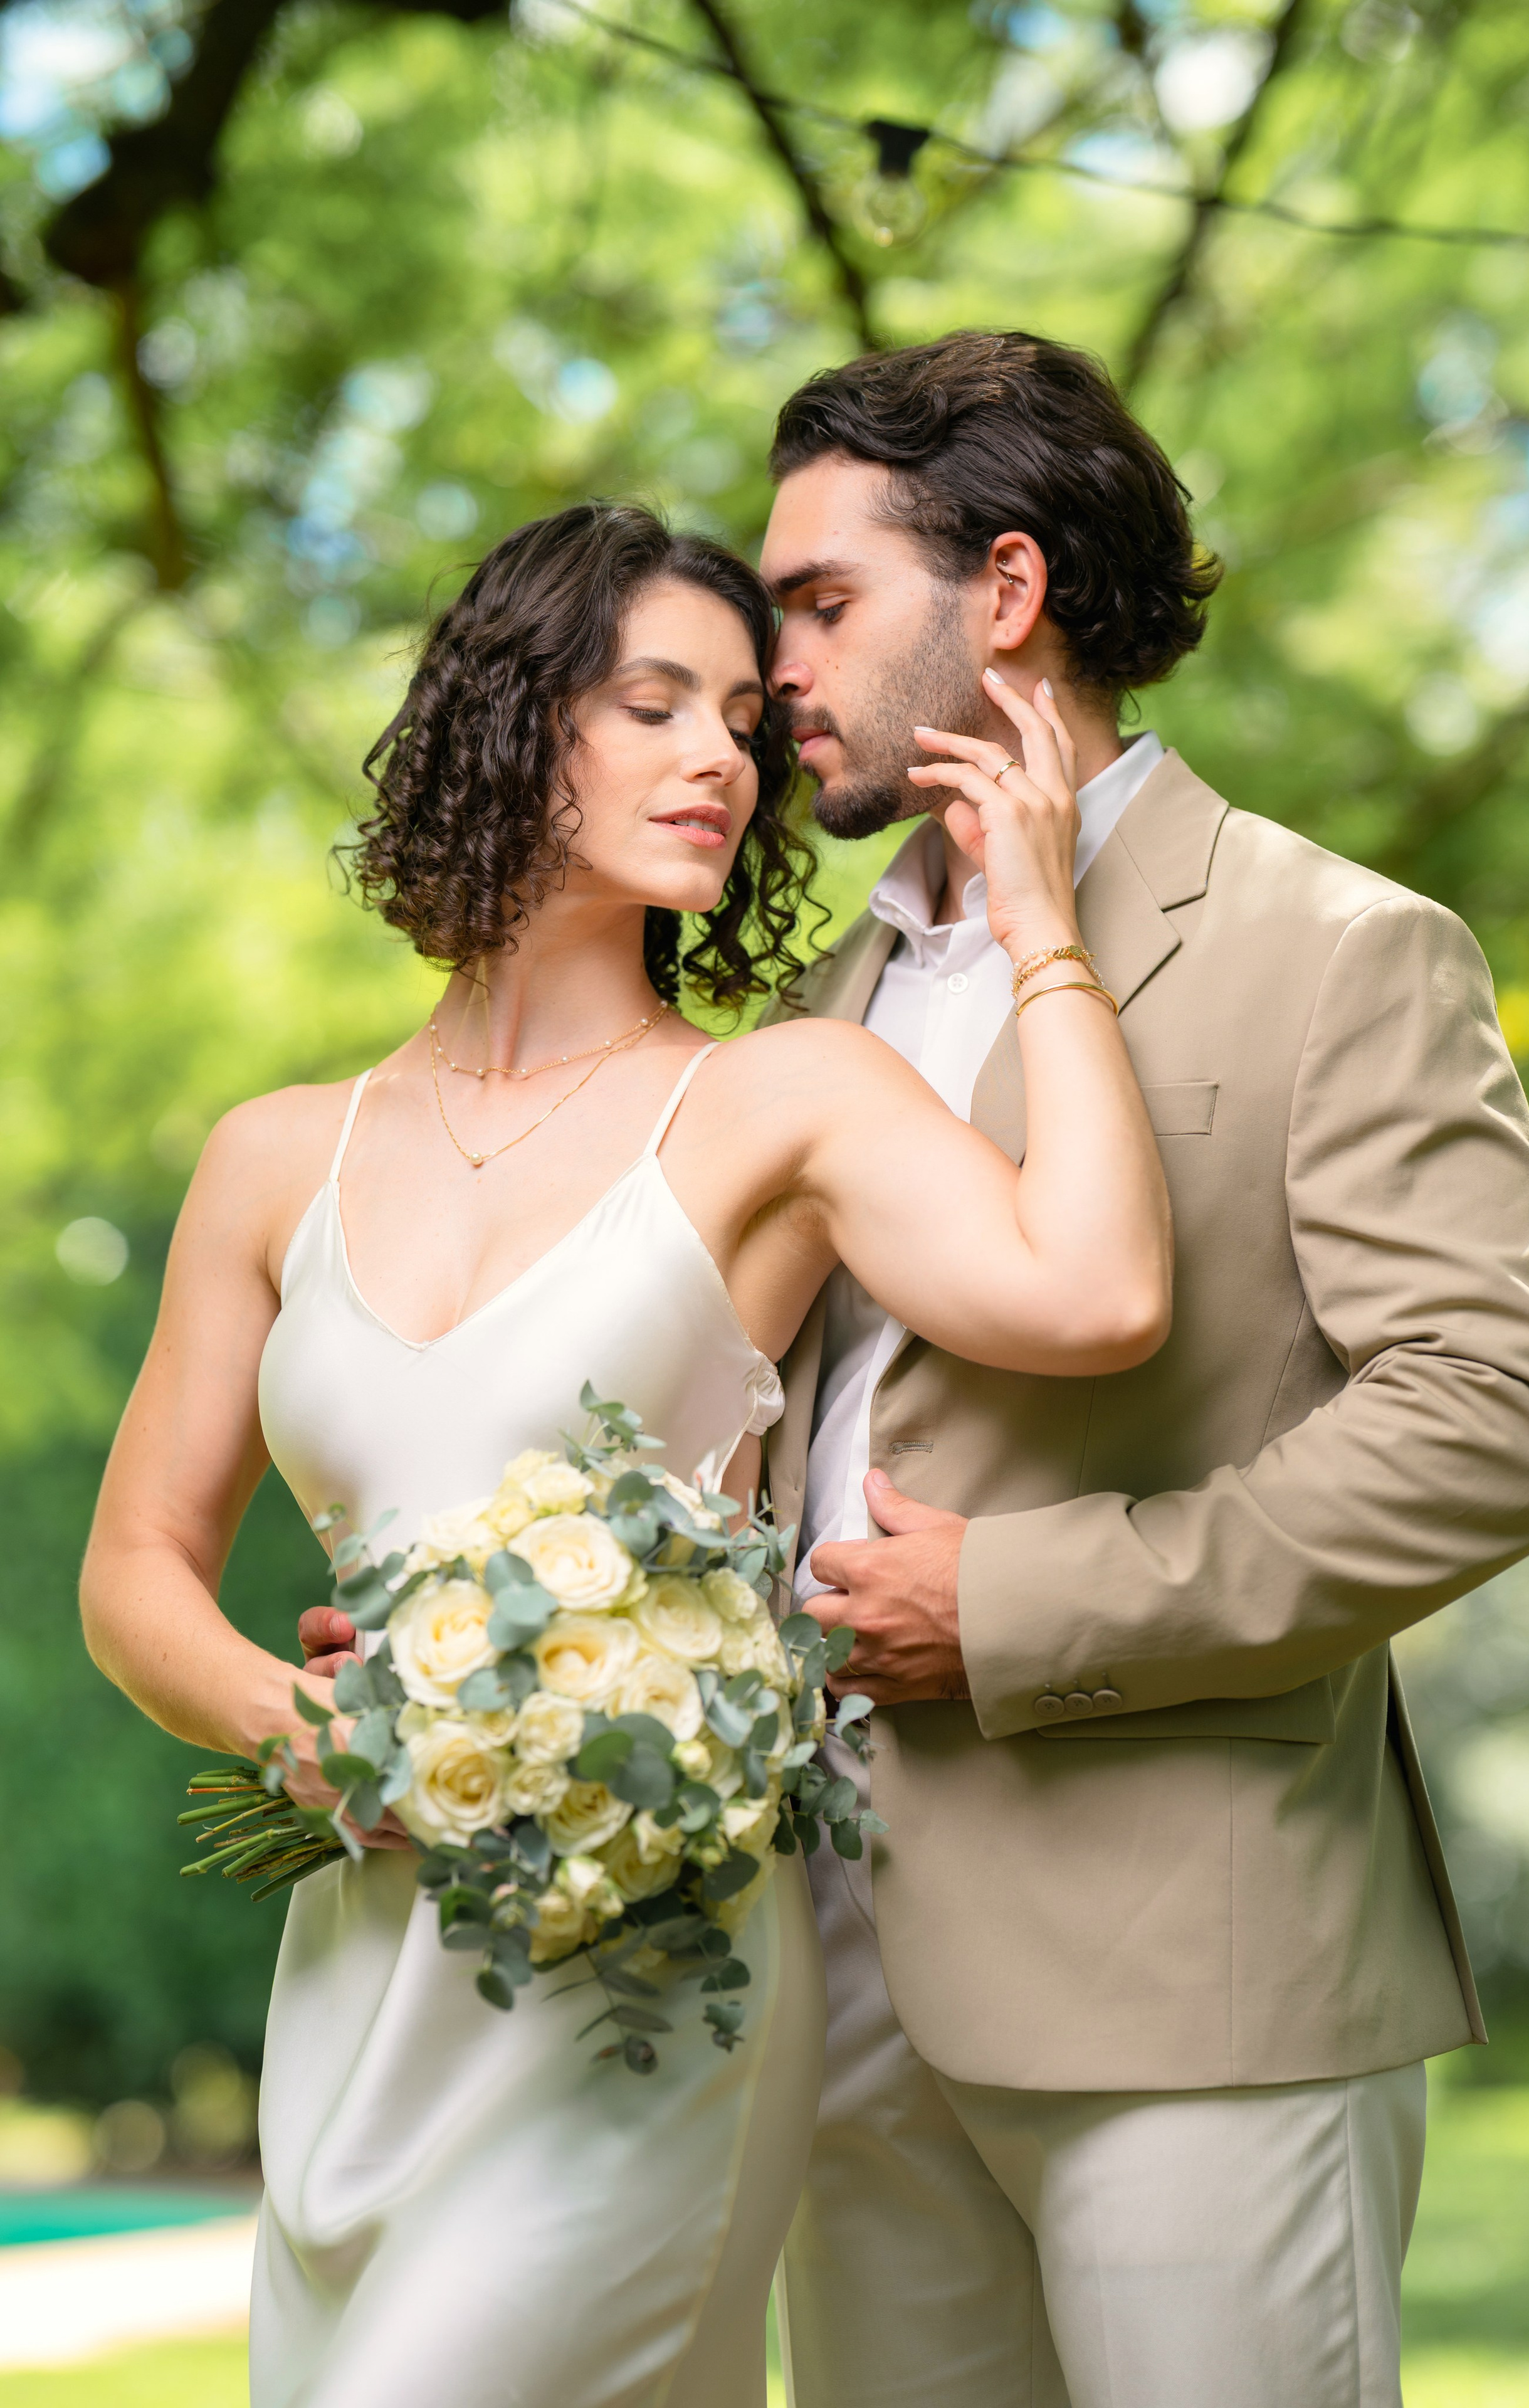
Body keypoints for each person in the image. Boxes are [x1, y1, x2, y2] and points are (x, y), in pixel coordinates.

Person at [80, 500, 1172, 2408]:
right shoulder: (273, 1157)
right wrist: (300, 1729)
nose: (721, 762)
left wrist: (1042, 927)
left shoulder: (786, 1101)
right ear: (512, 725)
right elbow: (134, 1572)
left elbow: (1094, 1296)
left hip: (644, 1980)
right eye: (654, 703)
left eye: (746, 720)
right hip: (367, 1963)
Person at [747, 332, 1529, 2408]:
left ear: (1010, 592)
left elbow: (1508, 1417)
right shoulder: (813, 995)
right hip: (825, 1971)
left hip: (1194, 1972)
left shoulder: (1338, 945)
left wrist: (1026, 1604)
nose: (774, 661)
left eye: (822, 602)